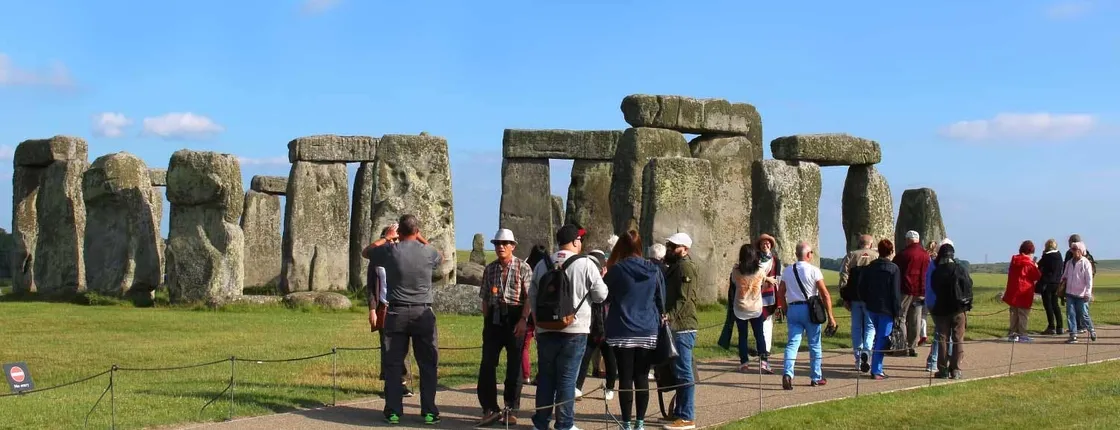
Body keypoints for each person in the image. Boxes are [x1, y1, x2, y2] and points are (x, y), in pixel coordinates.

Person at [364, 215, 444, 425]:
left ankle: (393, 411)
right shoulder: (427, 252)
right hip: (422, 311)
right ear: (416, 231)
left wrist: (386, 238)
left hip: (396, 312)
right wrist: (421, 238)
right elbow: (441, 258)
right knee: (427, 364)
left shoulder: (391, 250)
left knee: (393, 364)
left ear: (398, 232)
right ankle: (429, 411)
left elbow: (366, 252)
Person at [529, 224, 608, 430]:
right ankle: (564, 424)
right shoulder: (586, 264)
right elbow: (601, 295)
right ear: (575, 241)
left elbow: (533, 296)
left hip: (546, 327)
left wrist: (538, 323)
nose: (580, 243)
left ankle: (541, 422)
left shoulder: (543, 264)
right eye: (579, 240)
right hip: (575, 328)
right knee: (567, 378)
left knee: (546, 378)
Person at [603, 230, 664, 430]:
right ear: (640, 247)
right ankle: (640, 422)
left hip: (623, 328)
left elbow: (605, 295)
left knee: (626, 378)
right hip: (647, 328)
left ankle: (626, 423)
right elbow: (660, 299)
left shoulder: (617, 270)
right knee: (642, 377)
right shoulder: (653, 269)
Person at [475, 229, 534, 427]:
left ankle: (511, 408)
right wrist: (487, 321)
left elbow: (529, 298)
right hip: (494, 317)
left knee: (514, 366)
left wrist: (523, 320)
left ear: (513, 246)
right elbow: (484, 298)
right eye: (497, 243)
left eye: (505, 243)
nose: (500, 247)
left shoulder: (523, 268)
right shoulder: (490, 269)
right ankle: (490, 408)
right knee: (487, 364)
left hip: (516, 316)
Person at [778, 241, 837, 390]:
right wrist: (830, 316)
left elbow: (780, 293)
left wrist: (785, 310)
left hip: (793, 308)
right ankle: (816, 377)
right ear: (808, 254)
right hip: (810, 309)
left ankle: (787, 373)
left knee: (792, 343)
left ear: (797, 254)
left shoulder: (787, 271)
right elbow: (824, 293)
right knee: (815, 344)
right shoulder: (814, 270)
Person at [663, 233, 700, 430]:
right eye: (669, 245)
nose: (670, 249)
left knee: (684, 371)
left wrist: (669, 315)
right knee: (679, 371)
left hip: (683, 326)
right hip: (678, 325)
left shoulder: (685, 266)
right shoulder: (676, 266)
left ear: (685, 249)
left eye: (674, 246)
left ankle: (687, 417)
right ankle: (680, 412)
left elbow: (683, 299)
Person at [574, 249, 617, 402]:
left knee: (610, 359)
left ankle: (610, 387)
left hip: (607, 327)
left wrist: (603, 281)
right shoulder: (585, 279)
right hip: (590, 327)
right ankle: (577, 387)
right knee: (584, 358)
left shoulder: (610, 281)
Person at [856, 239, 901, 380]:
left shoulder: (869, 267)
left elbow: (861, 287)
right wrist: (897, 311)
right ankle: (876, 370)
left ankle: (875, 364)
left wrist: (866, 301)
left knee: (877, 336)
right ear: (891, 251)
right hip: (886, 309)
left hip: (872, 307)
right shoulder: (894, 269)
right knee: (882, 338)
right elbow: (895, 292)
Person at [837, 234, 878, 373]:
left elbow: (844, 276)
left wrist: (844, 296)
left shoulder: (851, 255)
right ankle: (867, 350)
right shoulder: (876, 256)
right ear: (871, 244)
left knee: (856, 329)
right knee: (870, 327)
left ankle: (858, 358)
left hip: (855, 297)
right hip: (871, 298)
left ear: (859, 243)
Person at [930, 242, 972, 379]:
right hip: (958, 308)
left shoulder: (937, 272)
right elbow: (968, 285)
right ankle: (956, 369)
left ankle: (942, 369)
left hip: (941, 309)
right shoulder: (960, 269)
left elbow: (934, 288)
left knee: (942, 338)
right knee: (958, 338)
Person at [729, 243, 773, 374]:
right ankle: (764, 362)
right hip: (755, 308)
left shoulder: (736, 271)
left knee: (743, 337)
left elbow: (733, 283)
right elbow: (763, 283)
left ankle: (744, 363)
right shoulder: (760, 271)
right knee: (759, 335)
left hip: (740, 308)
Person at [892, 230, 929, 357]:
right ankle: (913, 346)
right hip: (920, 291)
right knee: (916, 318)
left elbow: (895, 270)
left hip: (905, 290)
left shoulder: (903, 255)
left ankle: (902, 347)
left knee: (901, 317)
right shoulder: (925, 255)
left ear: (908, 240)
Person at [522, 245, 550, 385]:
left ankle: (525, 375)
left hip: (528, 309)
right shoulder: (547, 267)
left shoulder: (526, 267)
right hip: (543, 310)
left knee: (524, 345)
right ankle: (541, 375)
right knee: (543, 346)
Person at [1003, 240, 1041, 343]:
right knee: (1023, 314)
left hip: (1013, 290)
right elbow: (1036, 276)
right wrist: (1035, 266)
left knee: (1014, 314)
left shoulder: (1014, 260)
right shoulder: (1029, 263)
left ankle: (1013, 334)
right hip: (1024, 291)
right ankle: (1022, 334)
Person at [924, 238, 952, 372]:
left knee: (941, 332)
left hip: (931, 300)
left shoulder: (932, 264)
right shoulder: (941, 265)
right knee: (941, 333)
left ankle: (939, 360)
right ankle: (934, 361)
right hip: (939, 302)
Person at [1063, 241, 1096, 344]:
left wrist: (1088, 293)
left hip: (1082, 294)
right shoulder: (1069, 263)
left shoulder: (1086, 263)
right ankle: (1073, 335)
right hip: (1070, 293)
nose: (1073, 252)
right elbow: (1065, 275)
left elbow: (1089, 280)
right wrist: (1062, 282)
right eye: (1072, 249)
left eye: (1075, 249)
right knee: (1070, 314)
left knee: (1083, 314)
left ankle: (1091, 330)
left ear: (1081, 251)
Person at [755, 234, 781, 359]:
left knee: (768, 321)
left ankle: (767, 348)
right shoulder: (756, 260)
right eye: (763, 244)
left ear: (770, 245)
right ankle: (761, 346)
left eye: (767, 243)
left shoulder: (776, 261)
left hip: (770, 295)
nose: (765, 245)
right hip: (756, 293)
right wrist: (766, 279)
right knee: (759, 320)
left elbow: (778, 278)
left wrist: (780, 298)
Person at [1037, 239, 1065, 335]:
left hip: (1047, 283)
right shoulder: (1059, 256)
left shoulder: (1047, 256)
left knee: (1048, 305)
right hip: (1057, 283)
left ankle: (1051, 326)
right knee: (1055, 305)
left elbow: (1038, 266)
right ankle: (1060, 327)